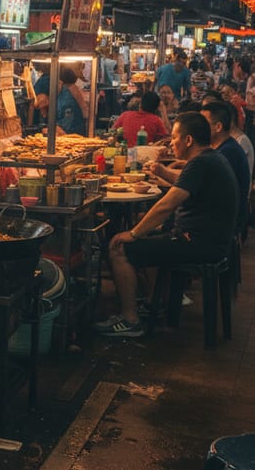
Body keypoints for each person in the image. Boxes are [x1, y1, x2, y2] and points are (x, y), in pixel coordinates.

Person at [100, 112, 239, 338]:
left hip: (197, 244)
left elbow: (166, 206)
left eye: (174, 137)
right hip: (208, 240)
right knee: (152, 236)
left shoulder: (201, 164)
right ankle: (154, 305)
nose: (171, 142)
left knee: (119, 248)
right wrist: (162, 173)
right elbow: (184, 183)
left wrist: (133, 233)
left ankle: (130, 320)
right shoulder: (210, 158)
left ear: (188, 140)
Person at [200, 100, 250, 234]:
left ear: (218, 127)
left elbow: (201, 182)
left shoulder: (228, 152)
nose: (199, 128)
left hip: (224, 227)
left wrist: (163, 172)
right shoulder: (222, 148)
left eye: (203, 124)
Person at [55, 67, 88, 135]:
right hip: (64, 126)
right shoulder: (64, 89)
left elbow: (83, 107)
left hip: (72, 127)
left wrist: (87, 123)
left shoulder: (72, 89)